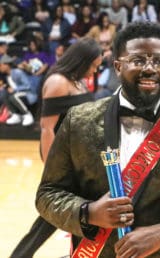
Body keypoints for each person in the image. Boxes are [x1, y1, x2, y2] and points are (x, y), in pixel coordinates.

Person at [35, 21, 160, 257]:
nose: (150, 68)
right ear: (117, 66)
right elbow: (48, 194)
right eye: (138, 60)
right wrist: (89, 213)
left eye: (159, 61)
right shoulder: (78, 120)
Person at [9, 37, 102, 258]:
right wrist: (53, 166)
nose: (94, 71)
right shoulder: (58, 82)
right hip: (64, 158)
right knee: (69, 211)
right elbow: (46, 128)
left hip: (81, 157)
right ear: (81, 61)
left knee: (66, 212)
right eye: (93, 65)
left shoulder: (77, 81)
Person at [0, 54, 36, 126]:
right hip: (17, 94)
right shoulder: (6, 76)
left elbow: (27, 85)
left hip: (28, 94)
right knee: (3, 95)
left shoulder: (17, 72)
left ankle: (27, 114)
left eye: (0, 65)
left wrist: (15, 89)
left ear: (6, 65)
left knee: (14, 96)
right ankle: (16, 115)